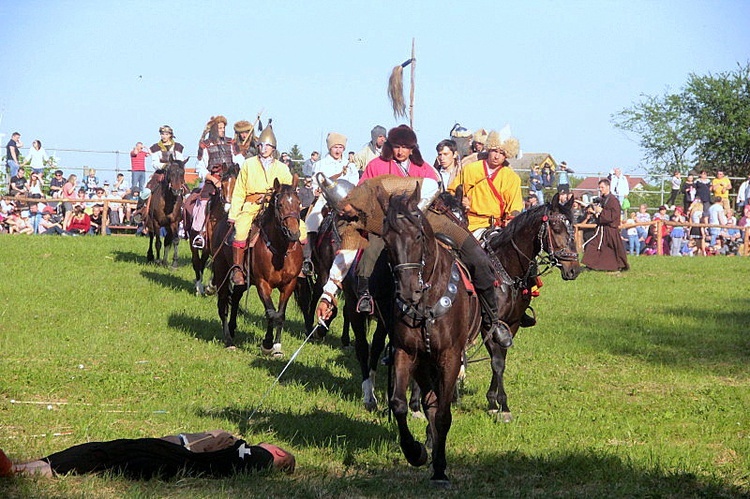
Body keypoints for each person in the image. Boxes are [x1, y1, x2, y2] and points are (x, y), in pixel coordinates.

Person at [314, 174, 514, 348]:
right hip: (400, 245)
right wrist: (327, 294)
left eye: (342, 207)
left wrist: (410, 215)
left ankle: (492, 321)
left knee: (478, 259)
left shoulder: (380, 186)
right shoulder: (350, 221)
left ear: (352, 197)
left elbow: (429, 185)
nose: (341, 212)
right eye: (336, 209)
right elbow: (345, 257)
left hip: (431, 222)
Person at [355, 125, 440, 312]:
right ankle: (365, 294)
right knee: (371, 249)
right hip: (384, 223)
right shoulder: (376, 165)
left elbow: (433, 195)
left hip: (415, 225)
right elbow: (362, 192)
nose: (400, 151)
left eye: (405, 147)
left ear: (412, 148)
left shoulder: (423, 168)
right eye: (396, 146)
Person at [0, 430, 294, 479]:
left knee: (104, 452)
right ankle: (26, 469)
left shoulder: (253, 455)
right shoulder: (242, 456)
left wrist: (228, 439)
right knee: (103, 458)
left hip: (170, 457)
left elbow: (283, 456)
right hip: (166, 461)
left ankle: (19, 469)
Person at [228, 123, 304, 286]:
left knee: (301, 229)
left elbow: (288, 191)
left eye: (268, 145)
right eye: (261, 145)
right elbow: (239, 190)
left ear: (273, 148)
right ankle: (238, 269)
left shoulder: (282, 167)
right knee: (241, 229)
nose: (264, 148)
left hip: (275, 207)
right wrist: (234, 214)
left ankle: (301, 265)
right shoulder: (248, 164)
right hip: (251, 205)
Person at [305, 132, 361, 276]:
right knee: (311, 221)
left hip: (346, 203)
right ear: (330, 148)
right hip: (325, 200)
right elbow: (315, 182)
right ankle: (308, 259)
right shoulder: (320, 164)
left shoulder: (350, 166)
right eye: (335, 147)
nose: (338, 150)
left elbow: (355, 185)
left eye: (341, 147)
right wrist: (316, 190)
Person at [448, 130, 523, 235]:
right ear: (488, 149)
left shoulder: (511, 178)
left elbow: (515, 205)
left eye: (501, 153)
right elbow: (452, 192)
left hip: (496, 227)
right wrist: (460, 200)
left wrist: (511, 220)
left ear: (506, 156)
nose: (497, 156)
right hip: (468, 223)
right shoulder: (471, 169)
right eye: (494, 151)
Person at [192, 116, 235, 249]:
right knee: (204, 203)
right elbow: (200, 167)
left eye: (224, 128)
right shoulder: (205, 145)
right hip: (212, 181)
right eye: (220, 128)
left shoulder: (231, 143)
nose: (222, 130)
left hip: (229, 181)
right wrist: (213, 179)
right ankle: (201, 233)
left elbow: (237, 161)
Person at [582, 178, 629, 271]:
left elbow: (614, 215)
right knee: (594, 245)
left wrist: (602, 211)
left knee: (614, 248)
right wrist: (594, 212)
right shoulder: (602, 200)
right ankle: (590, 265)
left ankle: (620, 265)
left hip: (610, 229)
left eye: (602, 187)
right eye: (599, 187)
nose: (600, 189)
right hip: (601, 228)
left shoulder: (613, 200)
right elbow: (600, 214)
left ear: (608, 187)